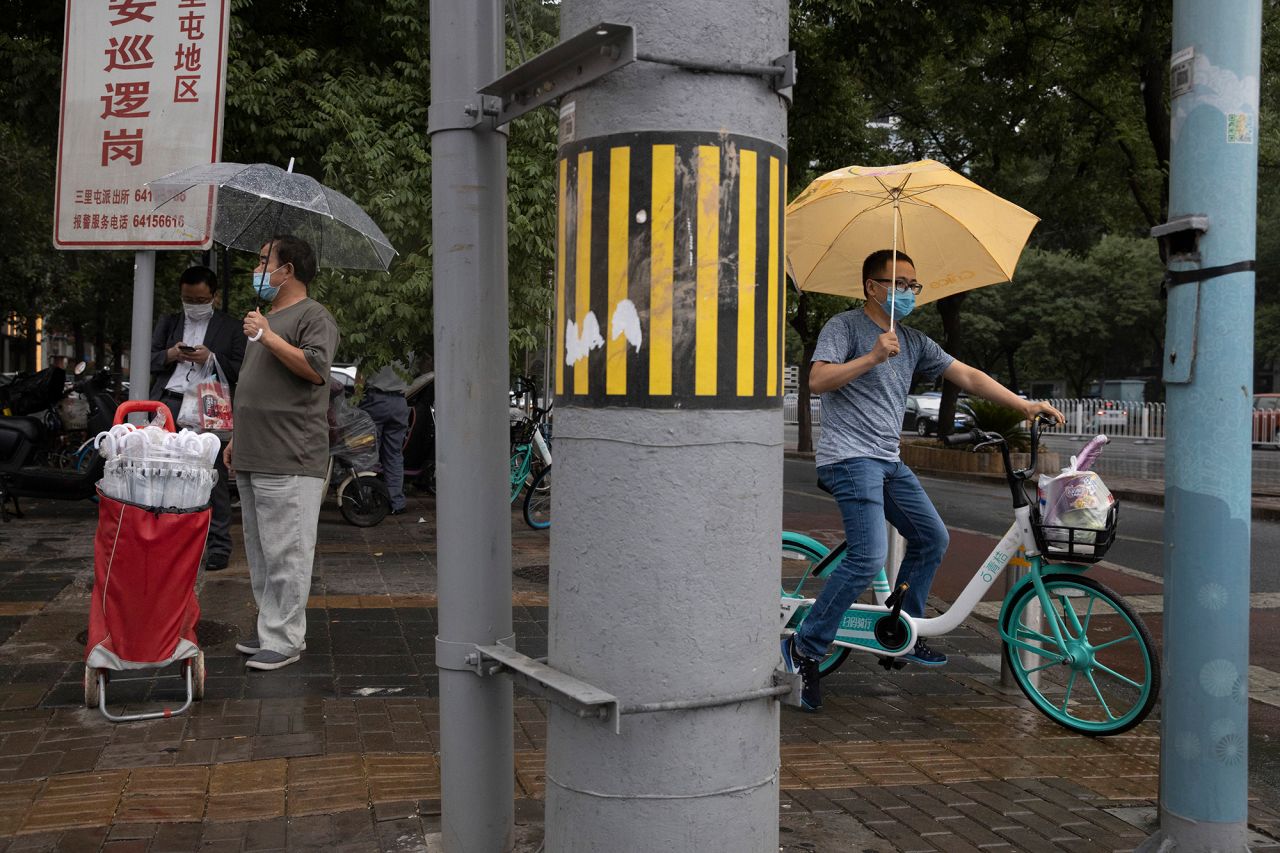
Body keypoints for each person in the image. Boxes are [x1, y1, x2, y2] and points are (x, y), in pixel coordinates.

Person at [781, 249, 1064, 712]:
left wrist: (1023, 404)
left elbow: (967, 375)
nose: (909, 292)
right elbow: (818, 381)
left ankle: (902, 632)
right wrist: (872, 356)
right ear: (872, 286)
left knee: (932, 538)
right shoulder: (845, 327)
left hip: (887, 461)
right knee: (868, 554)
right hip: (850, 459)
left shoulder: (912, 340)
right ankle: (804, 648)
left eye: (914, 285)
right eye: (899, 283)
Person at [225, 235, 339, 672]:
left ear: (286, 270)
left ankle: (287, 638)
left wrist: (268, 337)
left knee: (287, 550)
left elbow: (315, 370)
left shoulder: (313, 316)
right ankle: (272, 627)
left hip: (291, 454)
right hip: (255, 450)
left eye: (262, 261)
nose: (257, 269)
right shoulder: (265, 318)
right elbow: (255, 388)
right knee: (261, 550)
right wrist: (238, 437)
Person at [149, 265, 245, 571]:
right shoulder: (170, 323)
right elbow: (147, 359)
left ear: (214, 297)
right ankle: (168, 539)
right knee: (164, 473)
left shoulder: (230, 328)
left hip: (210, 405)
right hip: (170, 403)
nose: (194, 304)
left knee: (212, 475)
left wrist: (212, 358)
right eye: (188, 298)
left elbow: (242, 369)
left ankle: (218, 545)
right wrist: (172, 354)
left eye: (201, 299)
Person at [359, 362, 410, 515]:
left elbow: (361, 375)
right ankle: (397, 503)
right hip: (400, 402)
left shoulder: (373, 344)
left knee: (368, 453)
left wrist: (356, 400)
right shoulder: (407, 346)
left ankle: (364, 498)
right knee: (394, 454)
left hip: (375, 399)